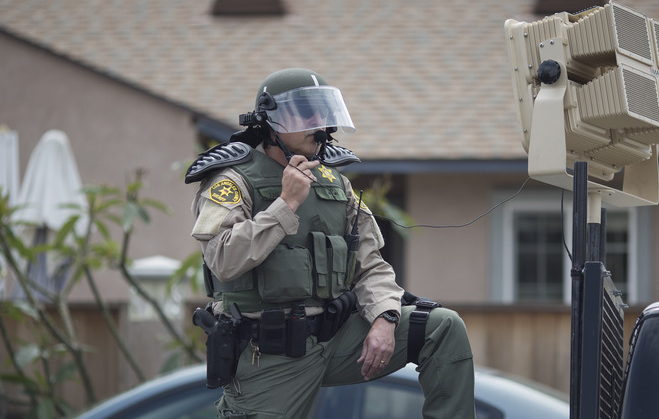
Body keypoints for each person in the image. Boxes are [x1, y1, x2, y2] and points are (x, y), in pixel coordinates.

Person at [186, 68, 475, 418]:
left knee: (442, 327)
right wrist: (285, 204)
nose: (320, 126)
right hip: (269, 354)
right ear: (271, 121)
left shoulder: (335, 183)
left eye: (322, 114)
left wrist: (385, 316)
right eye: (306, 114)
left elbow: (370, 265)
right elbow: (222, 259)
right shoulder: (232, 179)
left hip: (336, 339)